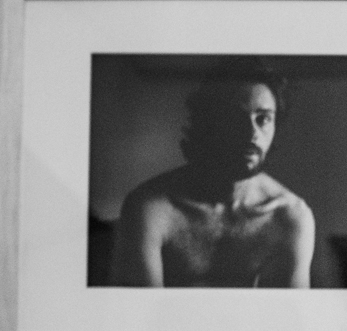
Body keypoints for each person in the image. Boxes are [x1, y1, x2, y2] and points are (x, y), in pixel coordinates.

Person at [112, 59, 315, 289]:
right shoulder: (150, 209)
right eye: (235, 117)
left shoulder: (290, 217)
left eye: (263, 119)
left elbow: (289, 321)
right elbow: (136, 318)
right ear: (208, 122)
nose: (252, 133)